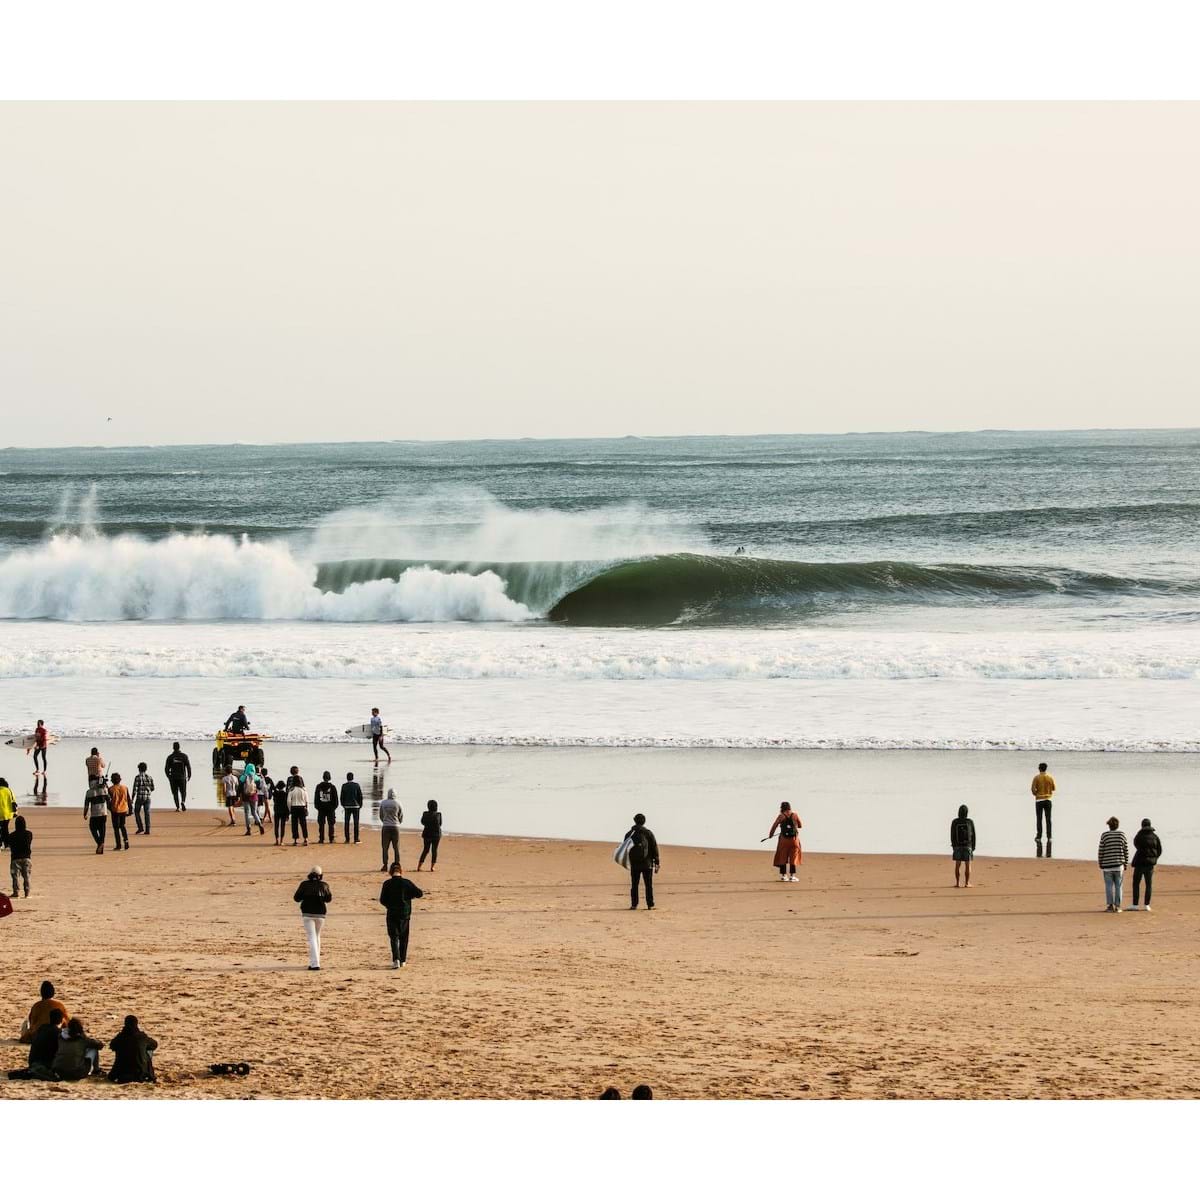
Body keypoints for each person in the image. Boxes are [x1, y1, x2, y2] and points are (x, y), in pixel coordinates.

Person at [379, 862, 424, 968]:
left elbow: (382, 900)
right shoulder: (407, 883)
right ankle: (403, 960)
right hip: (405, 913)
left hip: (392, 913)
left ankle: (396, 959)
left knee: (394, 937)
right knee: (404, 937)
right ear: (401, 871)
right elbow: (419, 893)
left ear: (390, 872)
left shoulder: (387, 884)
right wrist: (410, 897)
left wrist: (389, 905)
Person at [294, 866, 331, 969]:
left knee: (312, 937)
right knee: (317, 936)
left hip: (307, 914)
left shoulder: (304, 884)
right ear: (320, 876)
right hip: (321, 914)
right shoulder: (324, 885)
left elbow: (296, 898)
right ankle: (315, 961)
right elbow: (328, 899)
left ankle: (315, 964)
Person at [108, 1015, 158, 1083]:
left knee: (120, 1048)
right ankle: (149, 1073)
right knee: (149, 1050)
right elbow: (154, 1044)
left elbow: (112, 1046)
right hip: (140, 1075)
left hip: (122, 1075)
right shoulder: (141, 1037)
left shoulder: (120, 1037)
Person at [625, 813, 660, 910]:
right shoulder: (648, 833)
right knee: (648, 885)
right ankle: (650, 904)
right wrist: (657, 862)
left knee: (634, 885)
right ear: (644, 821)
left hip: (634, 863)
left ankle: (634, 904)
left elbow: (625, 849)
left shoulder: (629, 834)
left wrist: (627, 861)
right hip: (647, 863)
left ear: (634, 820)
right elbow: (654, 848)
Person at [22, 1008, 66, 1080]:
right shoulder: (57, 1033)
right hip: (44, 1064)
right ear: (61, 1020)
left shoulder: (42, 1028)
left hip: (33, 1062)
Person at [1130, 818, 1163, 912]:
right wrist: (1154, 858)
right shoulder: (1155, 836)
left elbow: (1135, 844)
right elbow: (1160, 850)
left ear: (1142, 825)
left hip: (1139, 863)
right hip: (1150, 864)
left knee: (1136, 883)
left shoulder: (1139, 835)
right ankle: (1147, 905)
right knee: (1149, 884)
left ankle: (1135, 905)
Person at [1098, 816, 1129, 913]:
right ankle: (1118, 906)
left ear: (1109, 826)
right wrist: (1125, 863)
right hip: (1119, 865)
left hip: (1107, 865)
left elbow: (1101, 850)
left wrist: (1100, 862)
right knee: (1119, 886)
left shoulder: (1104, 835)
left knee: (1108, 886)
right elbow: (1125, 850)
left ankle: (1110, 906)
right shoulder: (1122, 835)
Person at [767, 801, 801, 882]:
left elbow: (774, 825)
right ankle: (792, 876)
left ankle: (783, 876)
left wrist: (771, 835)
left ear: (782, 808)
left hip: (783, 840)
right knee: (793, 857)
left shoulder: (781, 816)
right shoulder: (795, 815)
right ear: (790, 807)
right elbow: (800, 825)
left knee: (782, 857)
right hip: (794, 840)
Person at [950, 804, 976, 887]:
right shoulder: (970, 822)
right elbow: (973, 835)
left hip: (957, 846)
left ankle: (957, 883)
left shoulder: (955, 822)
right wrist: (973, 846)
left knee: (958, 865)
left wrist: (953, 846)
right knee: (968, 865)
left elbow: (952, 835)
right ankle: (967, 883)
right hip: (968, 846)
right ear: (967, 813)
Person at [84, 774, 110, 854]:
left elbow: (86, 805)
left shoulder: (89, 792)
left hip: (94, 814)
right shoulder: (103, 790)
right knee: (102, 829)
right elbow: (109, 799)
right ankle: (101, 844)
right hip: (103, 812)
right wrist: (106, 786)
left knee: (93, 828)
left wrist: (85, 814)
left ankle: (99, 843)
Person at [379, 787, 402, 872]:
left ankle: (385, 865)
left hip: (386, 827)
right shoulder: (398, 803)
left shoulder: (383, 803)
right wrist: (398, 822)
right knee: (396, 847)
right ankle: (397, 865)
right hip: (395, 827)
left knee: (385, 847)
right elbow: (401, 815)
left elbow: (381, 815)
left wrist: (385, 821)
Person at [8, 814, 32, 898]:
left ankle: (16, 892)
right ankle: (27, 893)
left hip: (15, 858)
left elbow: (8, 844)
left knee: (15, 877)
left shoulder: (11, 835)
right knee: (27, 877)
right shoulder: (29, 834)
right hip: (26, 858)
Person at [1031, 761, 1055, 841]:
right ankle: (1049, 837)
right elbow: (1053, 788)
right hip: (1048, 799)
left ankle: (1039, 836)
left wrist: (1036, 794)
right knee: (1048, 819)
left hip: (1039, 800)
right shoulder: (1050, 777)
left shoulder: (1036, 777)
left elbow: (1033, 789)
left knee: (1039, 819)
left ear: (1039, 769)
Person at [164, 742, 192, 810]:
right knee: (183, 791)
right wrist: (189, 775)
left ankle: (177, 807)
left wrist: (168, 776)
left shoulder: (170, 757)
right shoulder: (184, 756)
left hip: (173, 777)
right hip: (182, 777)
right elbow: (188, 766)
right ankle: (183, 801)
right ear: (179, 747)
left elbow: (166, 768)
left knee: (175, 792)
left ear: (173, 748)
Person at [314, 771, 339, 844]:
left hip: (321, 808)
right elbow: (336, 799)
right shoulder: (332, 787)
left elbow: (316, 798)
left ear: (323, 777)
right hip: (330, 808)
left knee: (321, 824)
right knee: (331, 824)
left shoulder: (318, 787)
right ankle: (331, 838)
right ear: (329, 778)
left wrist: (317, 807)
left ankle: (321, 838)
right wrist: (334, 807)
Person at [108, 772, 131, 850]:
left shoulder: (111, 789)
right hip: (124, 809)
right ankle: (126, 841)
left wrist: (110, 808)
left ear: (112, 780)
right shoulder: (125, 788)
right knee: (122, 826)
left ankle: (118, 845)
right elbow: (128, 799)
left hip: (115, 810)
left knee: (116, 828)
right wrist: (130, 810)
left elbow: (108, 800)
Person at [241, 763, 265, 836]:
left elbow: (239, 787)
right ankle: (260, 824)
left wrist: (239, 796)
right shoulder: (256, 778)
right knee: (254, 812)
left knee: (247, 813)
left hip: (245, 797)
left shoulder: (243, 777)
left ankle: (249, 830)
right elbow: (260, 787)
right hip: (254, 796)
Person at [418, 799, 442, 871]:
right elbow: (440, 824)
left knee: (426, 850)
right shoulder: (438, 814)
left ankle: (419, 866)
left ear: (428, 806)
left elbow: (422, 822)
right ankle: (432, 867)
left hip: (427, 834)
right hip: (436, 834)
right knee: (434, 850)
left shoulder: (425, 814)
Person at [287, 768, 310, 846]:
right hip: (302, 807)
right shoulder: (303, 790)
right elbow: (307, 800)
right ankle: (305, 839)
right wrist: (307, 808)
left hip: (294, 807)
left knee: (294, 824)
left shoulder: (291, 790)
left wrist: (289, 809)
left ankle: (295, 840)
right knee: (303, 824)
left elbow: (288, 801)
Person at [131, 762, 155, 835]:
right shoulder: (149, 777)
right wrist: (147, 789)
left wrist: (132, 799)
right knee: (147, 813)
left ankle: (140, 827)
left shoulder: (137, 777)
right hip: (147, 797)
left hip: (140, 797)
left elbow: (134, 789)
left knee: (137, 812)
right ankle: (147, 829)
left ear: (139, 769)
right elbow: (153, 788)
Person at [340, 772, 363, 843]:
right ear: (353, 778)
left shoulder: (344, 786)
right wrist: (360, 805)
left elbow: (341, 797)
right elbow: (360, 796)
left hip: (347, 806)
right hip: (356, 806)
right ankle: (356, 839)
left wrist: (343, 805)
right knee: (356, 823)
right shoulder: (357, 785)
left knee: (347, 823)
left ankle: (347, 839)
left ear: (347, 778)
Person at [271, 774, 290, 845]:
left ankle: (276, 840)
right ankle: (281, 841)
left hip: (277, 810)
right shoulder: (286, 794)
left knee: (276, 826)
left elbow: (273, 791)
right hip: (284, 811)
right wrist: (288, 814)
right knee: (282, 826)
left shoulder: (275, 793)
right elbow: (287, 804)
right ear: (284, 787)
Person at [0, 776, 16, 850]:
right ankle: (7, 844)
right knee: (5, 828)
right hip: (8, 814)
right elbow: (13, 802)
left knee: (1, 829)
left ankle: (0, 844)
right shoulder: (9, 790)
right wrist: (15, 812)